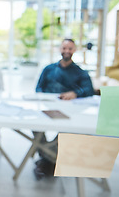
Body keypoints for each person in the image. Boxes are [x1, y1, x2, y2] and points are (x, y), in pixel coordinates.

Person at [33, 39, 94, 180]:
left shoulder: (80, 72)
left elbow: (89, 89)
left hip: (68, 111)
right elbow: (38, 88)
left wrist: (75, 93)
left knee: (67, 131)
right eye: (64, 48)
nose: (67, 51)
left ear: (74, 50)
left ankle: (46, 160)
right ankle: (51, 158)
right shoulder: (48, 69)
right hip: (47, 108)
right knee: (34, 126)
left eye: (70, 48)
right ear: (59, 49)